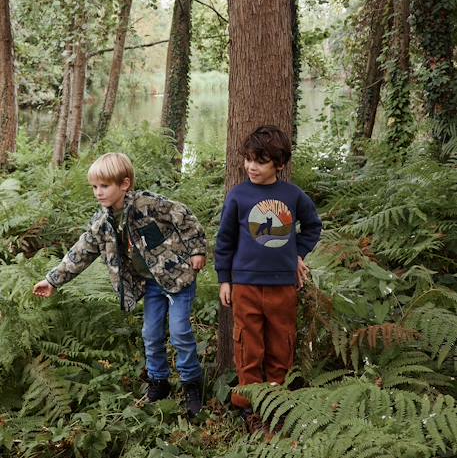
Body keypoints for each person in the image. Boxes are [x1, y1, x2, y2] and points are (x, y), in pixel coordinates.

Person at [33, 152, 206, 417]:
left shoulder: (148, 204)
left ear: (124, 184)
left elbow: (184, 216)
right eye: (94, 187)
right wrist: (53, 279)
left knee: (180, 331)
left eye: (104, 186)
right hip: (150, 286)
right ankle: (159, 381)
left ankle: (192, 383)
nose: (98, 193)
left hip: (177, 279)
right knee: (151, 334)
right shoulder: (101, 223)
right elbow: (80, 252)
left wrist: (196, 251)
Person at [215, 125, 322, 427]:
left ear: (279, 164)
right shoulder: (238, 196)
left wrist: (296, 254)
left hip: (283, 286)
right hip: (245, 285)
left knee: (280, 342)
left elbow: (313, 226)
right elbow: (224, 241)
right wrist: (225, 278)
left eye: (260, 161)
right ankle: (250, 404)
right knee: (248, 343)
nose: (251, 166)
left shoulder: (292, 195)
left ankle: (276, 400)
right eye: (248, 159)